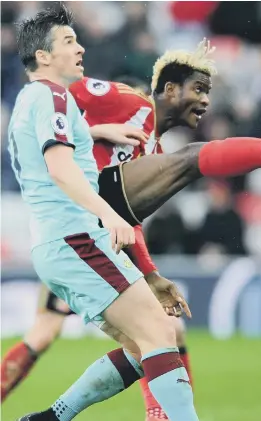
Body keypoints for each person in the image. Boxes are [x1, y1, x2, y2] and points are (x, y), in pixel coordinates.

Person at [13, 4, 261, 421]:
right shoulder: (123, 100)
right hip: (78, 221)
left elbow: (128, 214)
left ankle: (53, 417)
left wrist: (149, 274)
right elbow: (57, 106)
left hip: (90, 229)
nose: (204, 101)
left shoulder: (151, 150)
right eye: (197, 89)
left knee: (149, 340)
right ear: (169, 89)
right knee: (194, 158)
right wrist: (92, 126)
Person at [10, 5, 196, 421]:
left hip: (60, 242)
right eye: (69, 41)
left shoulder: (31, 98)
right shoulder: (55, 96)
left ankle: (49, 418)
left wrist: (94, 131)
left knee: (139, 345)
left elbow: (44, 152)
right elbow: (59, 169)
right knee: (160, 334)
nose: (80, 48)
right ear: (43, 56)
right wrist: (107, 215)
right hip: (74, 238)